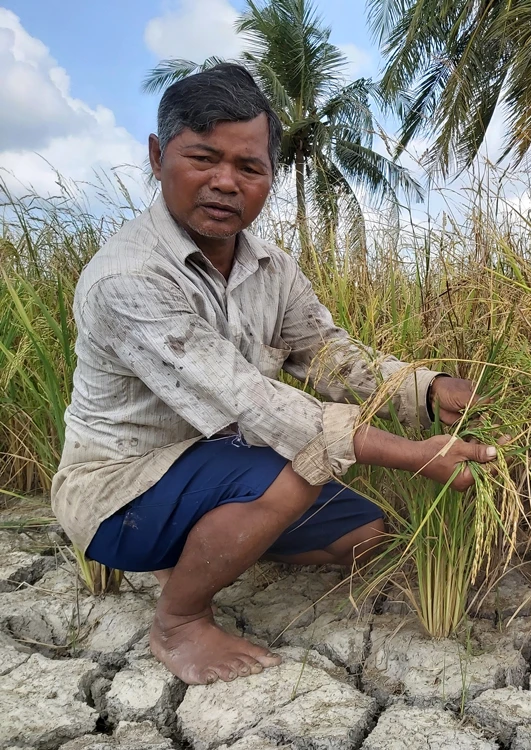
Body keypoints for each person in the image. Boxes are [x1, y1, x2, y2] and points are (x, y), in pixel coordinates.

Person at [51, 63, 496, 686]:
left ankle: (201, 551)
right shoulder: (128, 278)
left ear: (270, 176)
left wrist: (426, 390)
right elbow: (253, 403)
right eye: (203, 158)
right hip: (119, 497)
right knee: (301, 463)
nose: (225, 183)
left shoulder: (270, 266)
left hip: (221, 469)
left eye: (249, 168)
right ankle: (178, 622)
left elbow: (326, 354)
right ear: (157, 156)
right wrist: (410, 454)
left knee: (366, 535)